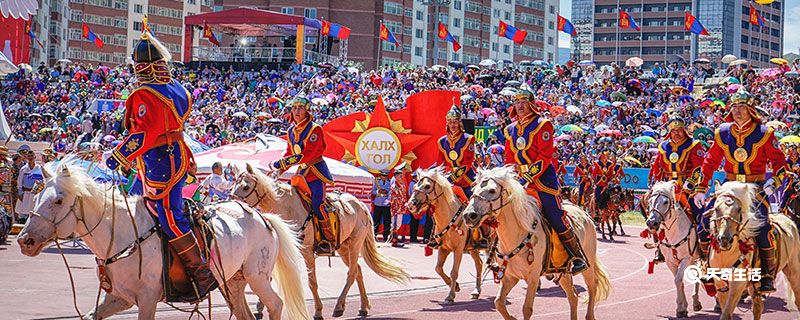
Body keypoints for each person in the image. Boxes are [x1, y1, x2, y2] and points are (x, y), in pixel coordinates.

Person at [104, 30, 216, 301]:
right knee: (136, 209)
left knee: (170, 216)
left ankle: (201, 272)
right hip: (169, 156)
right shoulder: (177, 88)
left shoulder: (145, 94)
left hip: (160, 162)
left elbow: (143, 134)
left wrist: (119, 156)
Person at [691, 89, 791, 293]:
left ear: (751, 109)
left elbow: (780, 164)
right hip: (728, 186)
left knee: (762, 228)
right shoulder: (722, 132)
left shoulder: (765, 133)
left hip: (755, 189)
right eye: (734, 107)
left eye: (742, 107)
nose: (737, 111)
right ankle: (706, 267)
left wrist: (774, 182)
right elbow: (710, 161)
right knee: (704, 223)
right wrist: (701, 188)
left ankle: (766, 274)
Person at [503, 88, 588, 274]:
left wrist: (526, 178)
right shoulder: (509, 130)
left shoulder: (543, 125)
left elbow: (545, 157)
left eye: (524, 102)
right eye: (517, 102)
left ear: (532, 104)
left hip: (542, 182)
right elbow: (509, 159)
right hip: (518, 182)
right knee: (500, 211)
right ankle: (496, 253)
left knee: (554, 215)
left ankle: (577, 256)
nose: (520, 106)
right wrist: (512, 179)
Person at [270, 96, 337, 254]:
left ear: (307, 111)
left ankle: (328, 239)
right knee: (289, 200)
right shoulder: (291, 131)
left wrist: (281, 163)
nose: (296, 111)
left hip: (316, 173)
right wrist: (277, 171)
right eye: (294, 108)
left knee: (317, 204)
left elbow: (307, 155)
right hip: (301, 174)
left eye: (300, 108)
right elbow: (289, 152)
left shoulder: (315, 129)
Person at [647, 117, 705, 263]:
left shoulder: (694, 145)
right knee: (653, 210)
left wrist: (691, 183)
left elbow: (699, 167)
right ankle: (659, 247)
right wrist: (657, 184)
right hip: (667, 188)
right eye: (673, 131)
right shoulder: (663, 146)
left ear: (684, 130)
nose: (676, 133)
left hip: (688, 188)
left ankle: (704, 246)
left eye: (679, 130)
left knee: (701, 214)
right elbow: (658, 167)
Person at [437, 104, 490, 247]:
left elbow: (467, 163)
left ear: (459, 123)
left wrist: (452, 178)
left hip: (466, 179)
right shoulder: (442, 141)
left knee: (476, 204)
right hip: (449, 179)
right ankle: (435, 235)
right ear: (447, 123)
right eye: (450, 122)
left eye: (455, 122)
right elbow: (441, 164)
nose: (453, 125)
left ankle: (481, 235)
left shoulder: (468, 138)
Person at [15, 145, 42, 222]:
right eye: (29, 156)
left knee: (33, 212)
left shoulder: (39, 168)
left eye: (32, 156)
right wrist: (20, 192)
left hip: (35, 193)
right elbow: (19, 181)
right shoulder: (23, 169)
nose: (30, 158)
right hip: (25, 193)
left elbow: (41, 180)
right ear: (27, 157)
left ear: (35, 157)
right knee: (22, 212)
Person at [390, 163, 410, 247]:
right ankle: (394, 241)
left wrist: (405, 205)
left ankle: (394, 239)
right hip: (396, 208)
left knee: (398, 224)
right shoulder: (394, 186)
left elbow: (403, 196)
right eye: (400, 176)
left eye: (402, 176)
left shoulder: (402, 185)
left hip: (401, 208)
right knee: (395, 224)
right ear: (395, 177)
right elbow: (395, 198)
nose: (402, 178)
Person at [372, 171, 392, 241]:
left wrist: (387, 192)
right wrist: (378, 191)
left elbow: (391, 192)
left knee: (387, 221)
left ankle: (386, 236)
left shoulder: (390, 183)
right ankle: (374, 235)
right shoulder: (377, 182)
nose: (384, 177)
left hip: (386, 204)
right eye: (383, 176)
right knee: (376, 220)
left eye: (386, 176)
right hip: (378, 203)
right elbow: (373, 191)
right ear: (380, 176)